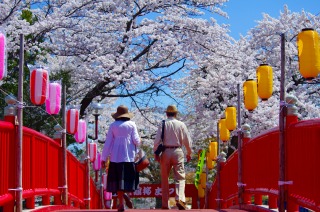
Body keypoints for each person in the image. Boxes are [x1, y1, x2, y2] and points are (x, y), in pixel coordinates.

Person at [101, 105, 141, 212]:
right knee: (126, 179)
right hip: (129, 156)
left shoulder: (113, 125)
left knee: (118, 181)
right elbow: (137, 141)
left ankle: (121, 203)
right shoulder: (132, 125)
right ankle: (126, 194)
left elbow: (108, 142)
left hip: (115, 157)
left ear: (117, 115)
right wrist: (139, 141)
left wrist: (103, 158)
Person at [153, 105, 193, 210]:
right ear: (176, 114)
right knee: (180, 177)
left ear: (166, 113)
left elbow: (157, 140)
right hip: (177, 151)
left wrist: (155, 153)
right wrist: (189, 152)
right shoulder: (181, 124)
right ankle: (179, 198)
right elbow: (187, 141)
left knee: (164, 177)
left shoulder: (163, 124)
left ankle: (165, 203)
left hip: (165, 151)